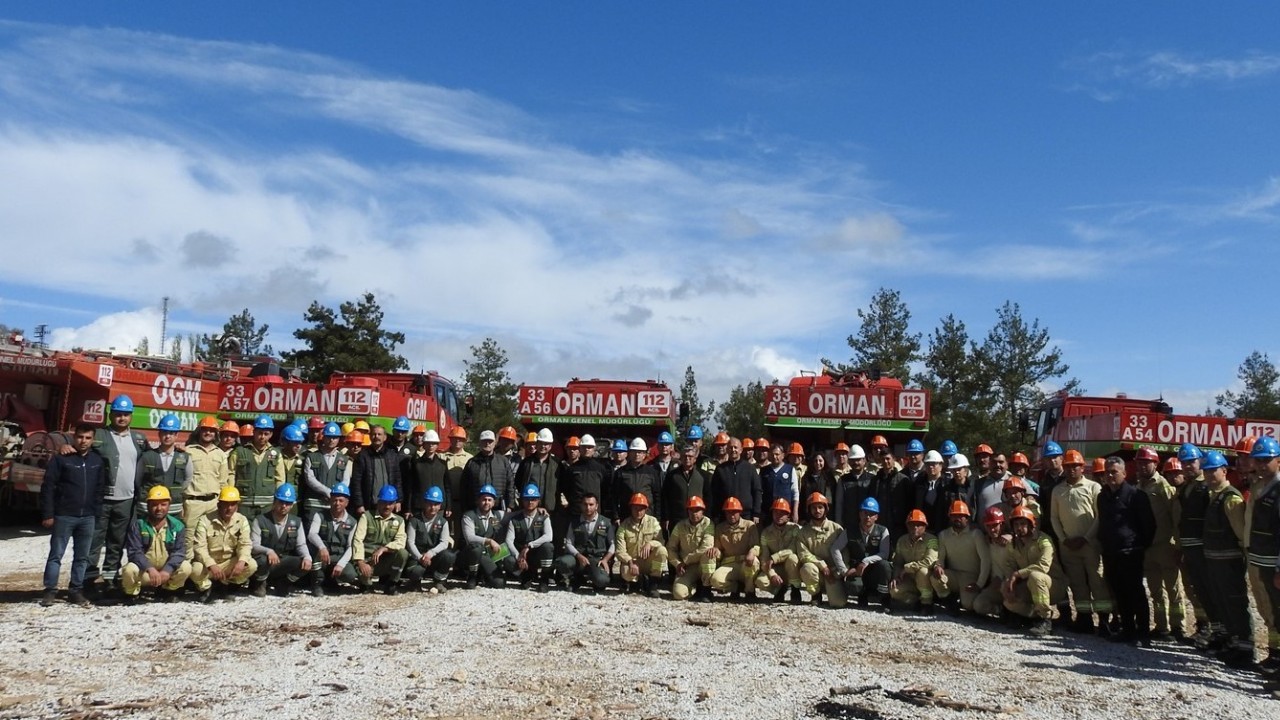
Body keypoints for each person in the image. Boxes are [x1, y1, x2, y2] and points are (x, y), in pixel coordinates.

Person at [81, 395, 149, 593]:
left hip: (126, 500)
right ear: (111, 415)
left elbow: (151, 458)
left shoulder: (138, 439)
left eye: (126, 414)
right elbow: (80, 445)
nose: (122, 418)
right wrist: (65, 446)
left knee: (116, 542)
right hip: (102, 499)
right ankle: (88, 579)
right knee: (94, 540)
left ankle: (110, 579)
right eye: (118, 414)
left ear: (131, 416)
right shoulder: (99, 435)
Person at [40, 423, 107, 607]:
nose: (83, 441)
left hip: (87, 517)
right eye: (80, 437)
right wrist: (48, 514)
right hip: (64, 515)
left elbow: (100, 489)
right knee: (56, 555)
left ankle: (76, 590)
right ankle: (50, 591)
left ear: (93, 440)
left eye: (87, 438)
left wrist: (96, 512)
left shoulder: (97, 461)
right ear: (74, 437)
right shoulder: (62, 459)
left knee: (81, 556)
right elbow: (48, 487)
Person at [1050, 449, 1113, 635]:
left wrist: (1086, 538)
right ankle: (1084, 618)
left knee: (1097, 581)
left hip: (1090, 545)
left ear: (1082, 467)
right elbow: (1054, 518)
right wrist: (1063, 540)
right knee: (1077, 583)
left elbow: (1100, 516)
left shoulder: (1094, 487)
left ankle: (1103, 620)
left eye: (1075, 466)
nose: (1071, 470)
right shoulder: (1057, 490)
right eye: (1068, 466)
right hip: (1068, 546)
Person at [1201, 449, 1254, 667]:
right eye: (1206, 471)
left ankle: (1245, 649)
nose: (1209, 475)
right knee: (1224, 603)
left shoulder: (1230, 498)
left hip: (1229, 561)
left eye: (1214, 470)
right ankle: (1233, 643)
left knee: (1235, 603)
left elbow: (1241, 534)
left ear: (1224, 471)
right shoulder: (1214, 496)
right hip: (1216, 561)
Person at [1097, 457, 1156, 646]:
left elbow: (1149, 525)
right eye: (1107, 472)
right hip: (1110, 552)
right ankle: (1128, 630)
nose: (1110, 475)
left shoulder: (1136, 495)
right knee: (1119, 592)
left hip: (1131, 552)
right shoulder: (1102, 496)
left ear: (1124, 473)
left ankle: (1143, 633)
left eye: (1114, 471)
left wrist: (1139, 545)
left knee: (1136, 593)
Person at [1134, 446, 1185, 641]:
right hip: (1148, 547)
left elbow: (1174, 515)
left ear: (1155, 464)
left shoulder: (1163, 485)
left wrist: (1176, 544)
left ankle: (1178, 627)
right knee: (1155, 591)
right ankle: (1161, 627)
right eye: (1140, 462)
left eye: (1146, 462)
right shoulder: (1139, 486)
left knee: (1173, 590)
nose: (1142, 466)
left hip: (1165, 544)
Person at [1245, 437, 1280, 673]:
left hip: (1275, 564)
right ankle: (1276, 660)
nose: (1262, 464)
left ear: (1278, 460)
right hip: (1261, 561)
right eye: (1258, 460)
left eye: (1267, 459)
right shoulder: (1260, 486)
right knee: (1272, 613)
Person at [120, 485, 191, 602]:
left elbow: (179, 552)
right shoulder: (138, 525)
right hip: (145, 572)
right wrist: (150, 569)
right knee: (128, 570)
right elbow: (134, 552)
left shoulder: (177, 526)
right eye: (154, 505)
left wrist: (167, 570)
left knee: (186, 567)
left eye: (163, 504)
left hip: (166, 573)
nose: (159, 508)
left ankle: (168, 590)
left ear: (169, 506)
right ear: (148, 506)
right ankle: (132, 594)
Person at [190, 486, 258, 603]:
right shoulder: (205, 520)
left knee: (251, 564)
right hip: (209, 565)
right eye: (226, 504)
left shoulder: (242, 520)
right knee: (195, 569)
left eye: (232, 504)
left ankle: (230, 587)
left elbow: (245, 544)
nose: (229, 508)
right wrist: (211, 564)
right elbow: (199, 547)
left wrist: (241, 561)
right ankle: (206, 588)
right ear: (219, 505)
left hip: (228, 563)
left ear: (237, 506)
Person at [249, 484, 314, 597]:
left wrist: (307, 557)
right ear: (275, 501)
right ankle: (260, 583)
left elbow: (301, 544)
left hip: (282, 561)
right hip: (264, 561)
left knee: (305, 563)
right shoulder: (260, 520)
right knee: (261, 560)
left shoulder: (297, 522)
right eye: (281, 502)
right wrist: (268, 551)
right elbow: (254, 545)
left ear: (292, 505)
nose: (284, 506)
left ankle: (283, 583)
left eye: (288, 503)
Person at [1002, 506, 1055, 637]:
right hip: (1029, 585)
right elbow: (1009, 565)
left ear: (1031, 524)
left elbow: (1043, 566)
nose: (1019, 528)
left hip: (1052, 585)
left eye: (1023, 524)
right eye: (1016, 524)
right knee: (1007, 595)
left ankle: (1045, 620)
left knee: (1036, 576)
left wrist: (1018, 574)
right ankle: (1031, 617)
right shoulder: (1013, 544)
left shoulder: (1044, 540)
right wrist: (1010, 581)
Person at [932, 500, 991, 615]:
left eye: (960, 516)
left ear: (967, 518)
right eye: (954, 516)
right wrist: (938, 566)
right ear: (949, 518)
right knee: (935, 578)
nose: (957, 519)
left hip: (971, 576)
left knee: (968, 605)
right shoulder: (943, 535)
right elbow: (941, 557)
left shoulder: (976, 534)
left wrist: (979, 584)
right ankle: (950, 602)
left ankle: (964, 599)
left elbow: (986, 560)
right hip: (953, 574)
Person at [351, 484, 409, 594]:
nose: (387, 506)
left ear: (395, 504)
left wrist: (383, 549)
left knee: (403, 553)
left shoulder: (399, 521)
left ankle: (392, 583)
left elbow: (401, 542)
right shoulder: (366, 516)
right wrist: (360, 562)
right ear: (378, 502)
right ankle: (365, 583)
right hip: (367, 560)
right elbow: (357, 539)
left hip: (385, 559)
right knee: (366, 585)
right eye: (384, 502)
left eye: (390, 503)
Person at [134, 414, 191, 520]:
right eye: (164, 432)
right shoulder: (147, 456)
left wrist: (176, 492)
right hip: (148, 508)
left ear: (176, 435)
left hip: (174, 508)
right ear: (159, 434)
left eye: (171, 433)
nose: (167, 436)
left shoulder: (185, 457)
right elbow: (138, 480)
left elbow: (187, 480)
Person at [555, 493, 614, 594]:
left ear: (596, 506)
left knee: (602, 581)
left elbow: (613, 545)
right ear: (581, 505)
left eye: (591, 504)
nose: (588, 507)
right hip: (579, 557)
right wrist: (578, 555)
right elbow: (569, 543)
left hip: (596, 559)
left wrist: (605, 559)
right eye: (585, 504)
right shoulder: (574, 522)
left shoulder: (606, 522)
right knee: (561, 562)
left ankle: (594, 578)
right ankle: (577, 578)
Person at [307, 482, 359, 595]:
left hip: (337, 556)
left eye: (341, 500)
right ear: (330, 500)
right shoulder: (319, 515)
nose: (337, 503)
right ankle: (317, 583)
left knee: (350, 574)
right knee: (314, 550)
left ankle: (331, 580)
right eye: (334, 500)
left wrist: (341, 564)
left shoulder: (352, 522)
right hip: (321, 555)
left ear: (347, 503)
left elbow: (351, 546)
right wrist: (322, 547)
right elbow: (312, 534)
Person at [796, 492, 847, 608]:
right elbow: (804, 555)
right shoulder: (803, 532)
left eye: (820, 507)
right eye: (813, 508)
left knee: (838, 603)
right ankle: (816, 595)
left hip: (833, 573)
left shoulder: (837, 529)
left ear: (826, 509)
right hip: (816, 571)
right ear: (809, 510)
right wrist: (822, 566)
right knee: (806, 568)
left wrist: (839, 572)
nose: (817, 511)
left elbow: (845, 553)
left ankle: (833, 590)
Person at [502, 484, 556, 592]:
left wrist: (530, 545)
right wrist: (518, 557)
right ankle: (526, 575)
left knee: (548, 547)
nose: (530, 502)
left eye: (533, 499)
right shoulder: (515, 519)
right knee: (508, 559)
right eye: (527, 499)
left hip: (536, 553)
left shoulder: (544, 517)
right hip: (522, 555)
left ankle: (544, 579)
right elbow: (509, 540)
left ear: (538, 501)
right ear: (522, 500)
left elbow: (548, 536)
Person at [841, 497, 892, 610]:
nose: (867, 517)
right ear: (860, 514)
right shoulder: (849, 531)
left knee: (885, 566)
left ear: (876, 517)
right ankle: (862, 595)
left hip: (874, 569)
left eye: (871, 514)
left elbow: (884, 553)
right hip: (857, 570)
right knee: (854, 586)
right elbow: (835, 549)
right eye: (865, 513)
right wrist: (843, 570)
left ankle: (884, 598)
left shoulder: (883, 531)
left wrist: (866, 561)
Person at [301, 423, 352, 533]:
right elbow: (309, 478)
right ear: (323, 437)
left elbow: (346, 480)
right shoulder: (311, 456)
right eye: (329, 437)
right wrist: (327, 492)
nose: (331, 440)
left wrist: (335, 495)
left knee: (330, 535)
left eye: (335, 437)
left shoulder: (344, 459)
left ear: (339, 439)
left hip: (333, 506)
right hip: (314, 504)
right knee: (311, 535)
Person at [404, 486, 456, 593]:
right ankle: (415, 582)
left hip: (433, 557)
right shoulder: (414, 521)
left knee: (449, 555)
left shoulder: (444, 522)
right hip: (417, 557)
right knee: (415, 572)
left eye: (436, 504)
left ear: (440, 505)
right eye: (430, 504)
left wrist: (430, 553)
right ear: (424, 503)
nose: (433, 507)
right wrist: (420, 557)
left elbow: (444, 543)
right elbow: (410, 542)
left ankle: (439, 581)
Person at [709, 497, 761, 602]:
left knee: (754, 561)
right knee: (715, 580)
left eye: (734, 512)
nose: (731, 515)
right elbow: (719, 550)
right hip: (729, 564)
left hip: (745, 563)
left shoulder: (749, 526)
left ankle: (750, 592)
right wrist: (716, 551)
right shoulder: (720, 528)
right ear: (725, 513)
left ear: (740, 512)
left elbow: (757, 546)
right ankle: (736, 588)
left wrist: (752, 552)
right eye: (728, 512)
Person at [615, 492, 667, 597]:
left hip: (649, 561)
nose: (638, 511)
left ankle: (653, 583)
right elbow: (620, 551)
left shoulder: (653, 522)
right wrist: (629, 562)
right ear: (631, 508)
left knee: (662, 551)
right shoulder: (624, 526)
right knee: (625, 572)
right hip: (633, 562)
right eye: (635, 508)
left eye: (641, 508)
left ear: (646, 509)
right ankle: (636, 582)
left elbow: (661, 541)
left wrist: (650, 544)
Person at [231, 415, 281, 524]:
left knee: (264, 535)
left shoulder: (276, 454)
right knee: (242, 536)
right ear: (254, 432)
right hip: (243, 505)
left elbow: (279, 479)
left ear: (271, 434)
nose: (262, 437)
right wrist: (231, 501)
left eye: (266, 434)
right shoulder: (239, 452)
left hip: (267, 506)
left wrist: (277, 502)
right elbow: (230, 475)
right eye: (259, 433)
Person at [666, 495, 716, 602]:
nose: (694, 513)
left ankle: (706, 590)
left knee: (709, 554)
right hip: (687, 568)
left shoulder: (709, 524)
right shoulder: (679, 526)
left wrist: (686, 560)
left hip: (702, 564)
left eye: (697, 510)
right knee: (678, 594)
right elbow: (671, 548)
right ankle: (694, 589)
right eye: (691, 510)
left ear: (703, 511)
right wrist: (678, 564)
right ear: (687, 511)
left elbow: (706, 547)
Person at [890, 509, 939, 613]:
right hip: (909, 578)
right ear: (907, 526)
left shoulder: (932, 540)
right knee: (894, 591)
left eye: (919, 525)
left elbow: (929, 561)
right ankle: (916, 601)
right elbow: (898, 562)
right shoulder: (901, 540)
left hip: (926, 578)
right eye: (911, 525)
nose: (915, 528)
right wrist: (896, 577)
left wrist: (908, 568)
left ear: (925, 527)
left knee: (923, 571)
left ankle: (927, 603)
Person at [754, 498, 801, 604]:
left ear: (788, 515)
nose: (778, 515)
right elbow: (764, 558)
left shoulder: (795, 529)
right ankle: (779, 590)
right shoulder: (766, 533)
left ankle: (795, 589)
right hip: (777, 569)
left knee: (792, 558)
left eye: (782, 513)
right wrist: (772, 574)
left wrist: (774, 557)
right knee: (760, 581)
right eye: (776, 512)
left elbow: (793, 549)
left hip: (792, 567)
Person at [460, 484, 507, 589]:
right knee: (476, 548)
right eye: (484, 499)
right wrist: (489, 541)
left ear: (494, 502)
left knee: (499, 583)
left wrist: (538, 510)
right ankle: (472, 577)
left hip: (487, 555)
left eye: (490, 500)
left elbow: (518, 514)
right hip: (470, 555)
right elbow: (469, 537)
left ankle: (484, 575)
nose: (487, 502)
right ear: (478, 501)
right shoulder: (469, 516)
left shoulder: (498, 515)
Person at [352, 424, 402, 518]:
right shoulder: (362, 456)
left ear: (385, 437)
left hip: (388, 504)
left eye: (379, 434)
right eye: (374, 434)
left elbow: (397, 480)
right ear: (370, 436)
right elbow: (356, 482)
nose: (376, 437)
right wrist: (359, 504)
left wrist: (399, 500)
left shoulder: (392, 456)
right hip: (369, 505)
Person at [971, 507, 1011, 619]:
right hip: (995, 587)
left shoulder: (1010, 543)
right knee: (978, 605)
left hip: (1010, 584)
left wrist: (1005, 579)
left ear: (1002, 525)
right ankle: (1001, 611)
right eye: (988, 526)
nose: (992, 529)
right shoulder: (986, 542)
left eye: (995, 525)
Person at [462, 431, 515, 513]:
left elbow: (510, 485)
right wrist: (465, 508)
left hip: (499, 508)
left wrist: (510, 505)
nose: (487, 444)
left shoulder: (503, 461)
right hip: (476, 509)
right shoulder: (472, 463)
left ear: (495, 443)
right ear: (479, 443)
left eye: (490, 441)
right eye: (484, 441)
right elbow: (464, 488)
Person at [709, 438, 761, 522]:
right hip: (725, 516)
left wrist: (756, 513)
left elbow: (757, 491)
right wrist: (715, 515)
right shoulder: (720, 469)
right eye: (730, 448)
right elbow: (714, 493)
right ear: (727, 450)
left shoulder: (750, 468)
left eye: (735, 447)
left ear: (741, 450)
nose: (733, 450)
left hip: (746, 516)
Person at [613, 439, 661, 523]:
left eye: (640, 452)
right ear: (629, 453)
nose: (637, 454)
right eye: (634, 451)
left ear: (645, 454)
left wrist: (657, 517)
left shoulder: (652, 472)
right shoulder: (620, 473)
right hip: (626, 517)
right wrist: (616, 516)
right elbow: (614, 496)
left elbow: (657, 496)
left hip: (648, 517)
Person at [662, 443, 708, 531]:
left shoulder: (704, 476)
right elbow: (665, 497)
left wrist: (706, 516)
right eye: (684, 456)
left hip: (698, 519)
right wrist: (666, 517)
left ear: (695, 458)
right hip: (677, 519)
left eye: (690, 456)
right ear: (681, 457)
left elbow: (708, 497)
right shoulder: (671, 476)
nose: (687, 459)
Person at [406, 429, 448, 518]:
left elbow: (447, 487)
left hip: (439, 507)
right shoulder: (416, 464)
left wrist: (449, 506)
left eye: (434, 443)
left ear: (437, 445)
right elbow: (410, 487)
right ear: (424, 444)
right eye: (428, 443)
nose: (431, 445)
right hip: (420, 507)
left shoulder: (443, 464)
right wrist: (408, 508)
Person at [759, 442, 800, 524]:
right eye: (772, 454)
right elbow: (759, 492)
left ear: (783, 455)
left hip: (785, 513)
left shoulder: (790, 469)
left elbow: (795, 492)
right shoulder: (764, 471)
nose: (774, 457)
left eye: (777, 454)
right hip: (768, 513)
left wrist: (795, 512)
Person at [913, 450, 948, 534]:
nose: (931, 467)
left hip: (942, 529)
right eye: (928, 464)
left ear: (941, 465)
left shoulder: (947, 484)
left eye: (934, 464)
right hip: (923, 528)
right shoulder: (919, 484)